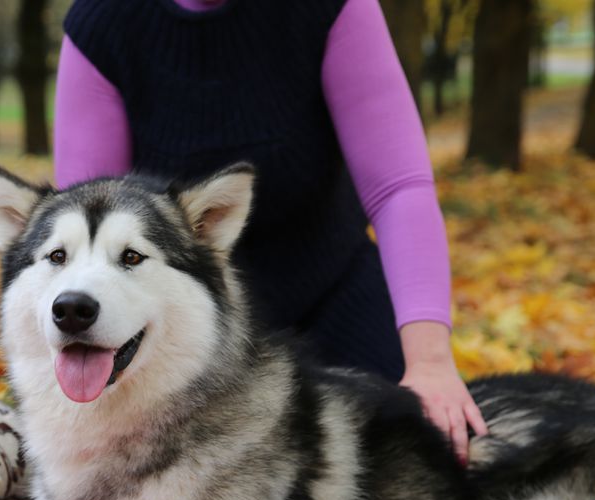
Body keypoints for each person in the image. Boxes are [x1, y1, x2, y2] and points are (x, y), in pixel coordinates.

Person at [53, 0, 487, 463]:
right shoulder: (102, 22)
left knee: (418, 465)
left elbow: (398, 188)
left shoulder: (335, 8)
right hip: (186, 331)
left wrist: (431, 363)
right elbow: (87, 229)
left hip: (335, 295)